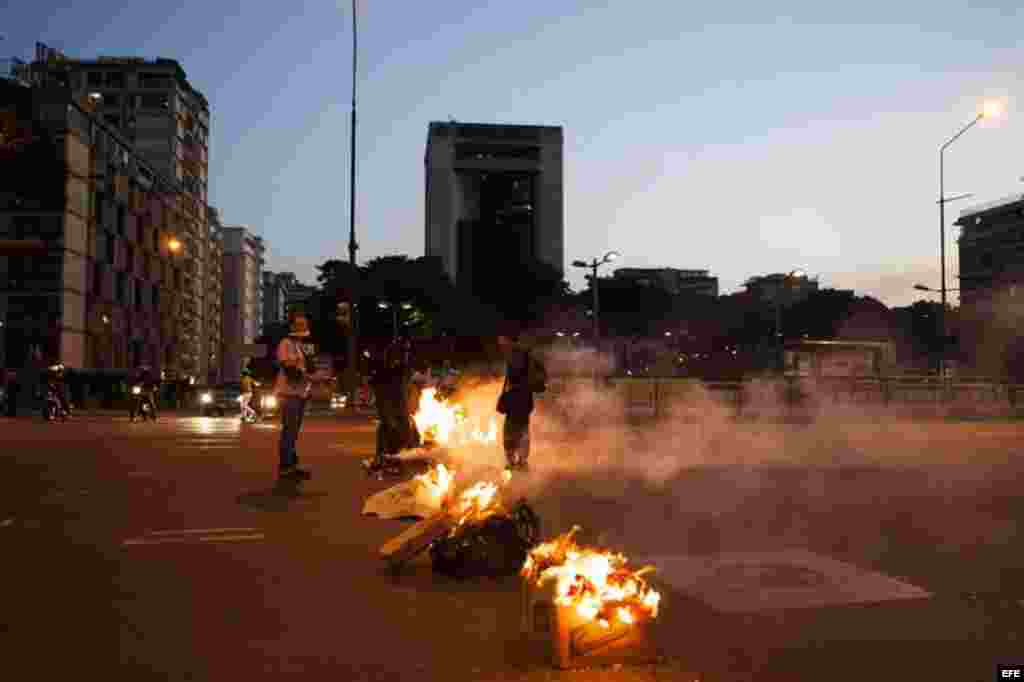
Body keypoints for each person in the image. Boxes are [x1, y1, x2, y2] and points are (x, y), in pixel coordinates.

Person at [273, 313, 322, 481]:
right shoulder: (285, 344)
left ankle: (292, 465)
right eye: (299, 324)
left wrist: (314, 372)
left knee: (293, 432)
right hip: (289, 394)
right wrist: (310, 377)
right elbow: (290, 371)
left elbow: (309, 368)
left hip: (300, 394)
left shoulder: (300, 345)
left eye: (305, 324)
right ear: (292, 326)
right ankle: (286, 467)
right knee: (289, 431)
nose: (303, 327)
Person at [497, 333, 546, 472]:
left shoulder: (517, 355)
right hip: (523, 400)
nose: (500, 344)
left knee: (513, 430)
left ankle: (516, 462)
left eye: (502, 340)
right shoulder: (524, 355)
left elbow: (516, 377)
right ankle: (520, 461)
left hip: (517, 400)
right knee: (521, 429)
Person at [368, 341, 410, 471]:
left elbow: (401, 388)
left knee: (398, 427)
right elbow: (378, 387)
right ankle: (382, 457)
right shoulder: (382, 369)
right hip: (386, 400)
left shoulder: (401, 368)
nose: (403, 357)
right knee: (388, 425)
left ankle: (391, 458)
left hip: (396, 402)